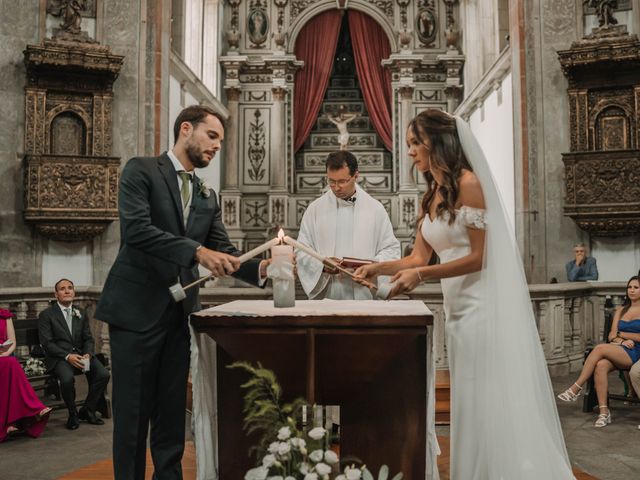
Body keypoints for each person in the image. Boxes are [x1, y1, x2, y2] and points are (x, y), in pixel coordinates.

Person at [354, 109, 575, 479]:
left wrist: (420, 274)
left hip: (482, 307)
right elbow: (416, 257)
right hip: (458, 312)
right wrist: (377, 268)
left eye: (414, 143)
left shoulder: (470, 183)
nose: (409, 152)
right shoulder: (433, 194)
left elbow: (479, 257)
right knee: (469, 398)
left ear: (437, 142)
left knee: (487, 397)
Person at [95, 105, 268, 480]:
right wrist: (196, 251)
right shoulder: (141, 170)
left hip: (178, 314)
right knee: (132, 417)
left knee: (172, 413)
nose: (217, 146)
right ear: (186, 128)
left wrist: (264, 269)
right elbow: (137, 231)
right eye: (212, 136)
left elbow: (225, 250)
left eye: (220, 141)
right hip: (135, 312)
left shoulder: (207, 196)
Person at [296, 150, 400, 300]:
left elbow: (391, 249)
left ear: (356, 176)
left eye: (342, 181)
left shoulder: (375, 209)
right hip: (328, 294)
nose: (336, 187)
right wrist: (322, 265)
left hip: (363, 292)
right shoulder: (315, 210)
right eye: (331, 181)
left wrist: (372, 266)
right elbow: (301, 252)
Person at [558, 274, 640, 427]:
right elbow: (611, 335)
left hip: (636, 352)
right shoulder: (621, 310)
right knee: (601, 365)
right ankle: (604, 412)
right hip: (621, 348)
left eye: (636, 287)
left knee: (600, 348)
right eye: (629, 287)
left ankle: (576, 387)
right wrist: (622, 340)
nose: (632, 290)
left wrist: (623, 335)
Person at [38, 278, 110, 430]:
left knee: (103, 374)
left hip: (81, 355)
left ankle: (88, 409)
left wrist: (88, 354)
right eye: (62, 288)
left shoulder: (81, 313)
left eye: (70, 287)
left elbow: (88, 338)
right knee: (66, 379)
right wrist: (67, 356)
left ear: (74, 291)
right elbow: (47, 343)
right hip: (60, 358)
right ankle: (73, 413)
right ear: (56, 294)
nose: (67, 290)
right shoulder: (47, 315)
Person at [0, 308, 51, 442]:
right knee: (11, 364)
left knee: (10, 362)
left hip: (3, 356)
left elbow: (12, 342)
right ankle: (34, 410)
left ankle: (10, 424)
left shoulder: (4, 315)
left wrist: (5, 353)